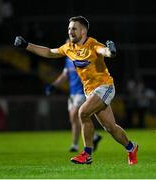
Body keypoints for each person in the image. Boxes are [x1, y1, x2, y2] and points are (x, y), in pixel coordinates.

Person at [14, 15, 138, 165]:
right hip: (90, 91)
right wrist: (26, 45)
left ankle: (87, 154)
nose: (70, 31)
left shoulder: (92, 44)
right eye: (69, 29)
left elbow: (104, 51)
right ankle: (131, 148)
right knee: (110, 127)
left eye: (74, 28)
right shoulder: (69, 48)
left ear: (83, 31)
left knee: (83, 112)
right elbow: (49, 52)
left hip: (105, 87)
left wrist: (111, 51)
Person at [45, 56, 102, 152]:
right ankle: (77, 144)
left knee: (74, 115)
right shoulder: (68, 60)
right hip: (72, 94)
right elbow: (64, 75)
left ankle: (88, 140)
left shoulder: (80, 57)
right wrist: (53, 86)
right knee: (74, 120)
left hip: (81, 92)